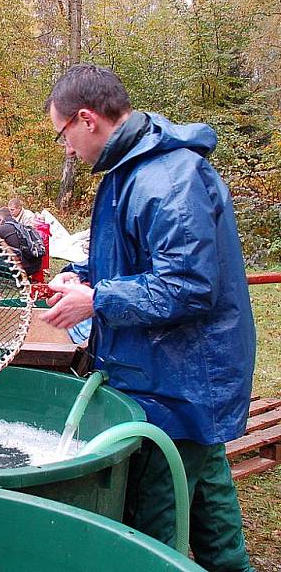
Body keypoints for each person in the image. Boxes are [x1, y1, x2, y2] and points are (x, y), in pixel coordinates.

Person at [42, 64, 255, 572]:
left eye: (62, 134)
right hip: (165, 372)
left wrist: (98, 301)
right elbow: (128, 258)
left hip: (182, 375)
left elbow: (187, 285)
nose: (66, 149)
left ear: (86, 119)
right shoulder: (129, 172)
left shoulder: (166, 177)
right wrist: (81, 276)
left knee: (157, 510)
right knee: (206, 488)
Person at [0, 206, 45, 278]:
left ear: (0, 218)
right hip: (36, 266)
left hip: (20, 268)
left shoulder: (1, 229)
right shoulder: (22, 226)